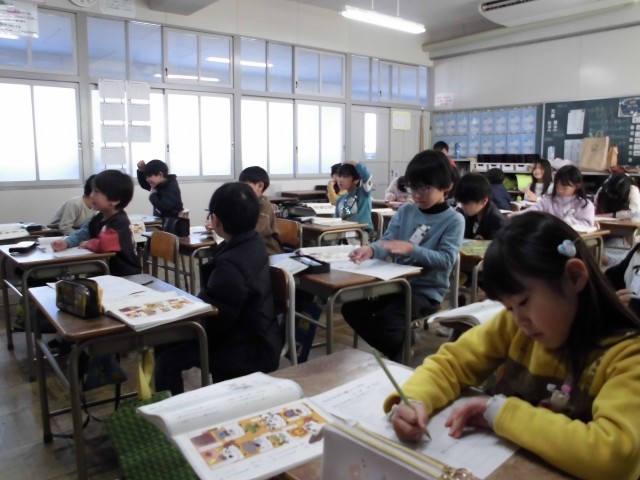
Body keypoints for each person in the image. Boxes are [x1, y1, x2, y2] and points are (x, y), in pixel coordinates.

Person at [386, 212, 640, 480]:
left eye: (524, 302)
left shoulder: (627, 355)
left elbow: (614, 455)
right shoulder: (515, 326)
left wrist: (497, 411)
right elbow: (452, 363)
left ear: (574, 277)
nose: (519, 319)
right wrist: (415, 399)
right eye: (508, 308)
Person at [154, 182, 282, 394]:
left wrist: (182, 319)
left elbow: (215, 320)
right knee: (165, 342)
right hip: (256, 334)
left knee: (166, 360)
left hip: (244, 347)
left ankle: (172, 410)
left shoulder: (231, 264)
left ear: (216, 220)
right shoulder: (253, 243)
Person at [341, 150, 464, 361]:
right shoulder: (407, 211)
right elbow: (388, 241)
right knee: (351, 307)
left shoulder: (454, 220)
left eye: (425, 188)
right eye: (413, 188)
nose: (417, 195)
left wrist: (410, 249)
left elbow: (446, 261)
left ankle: (400, 353)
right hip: (395, 284)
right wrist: (371, 250)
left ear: (446, 186)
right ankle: (402, 345)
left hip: (425, 291)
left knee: (387, 321)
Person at [51, 170, 141, 277]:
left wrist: (87, 244)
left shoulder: (119, 222)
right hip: (103, 269)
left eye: (96, 192)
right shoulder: (99, 217)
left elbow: (104, 244)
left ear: (114, 200)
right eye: (92, 191)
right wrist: (66, 243)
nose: (91, 195)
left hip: (125, 274)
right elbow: (84, 233)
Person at [524, 165, 594, 229]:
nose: (559, 190)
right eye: (557, 186)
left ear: (577, 186)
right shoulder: (548, 201)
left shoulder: (584, 205)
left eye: (564, 188)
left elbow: (587, 225)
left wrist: (569, 222)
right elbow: (531, 211)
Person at [239, 166, 282, 255]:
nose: (241, 190)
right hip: (250, 248)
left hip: (267, 251)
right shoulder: (247, 202)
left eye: (245, 186)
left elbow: (253, 232)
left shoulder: (264, 205)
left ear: (260, 186)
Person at [455, 173, 508, 240]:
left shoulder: (497, 223)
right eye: (461, 203)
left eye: (467, 203)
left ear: (484, 201)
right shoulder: (469, 214)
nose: (463, 207)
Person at [335, 161, 374, 232]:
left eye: (345, 176)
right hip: (346, 231)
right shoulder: (341, 199)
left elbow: (367, 177)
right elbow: (342, 217)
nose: (340, 180)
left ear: (356, 180)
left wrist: (355, 163)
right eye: (339, 176)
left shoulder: (363, 193)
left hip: (361, 232)